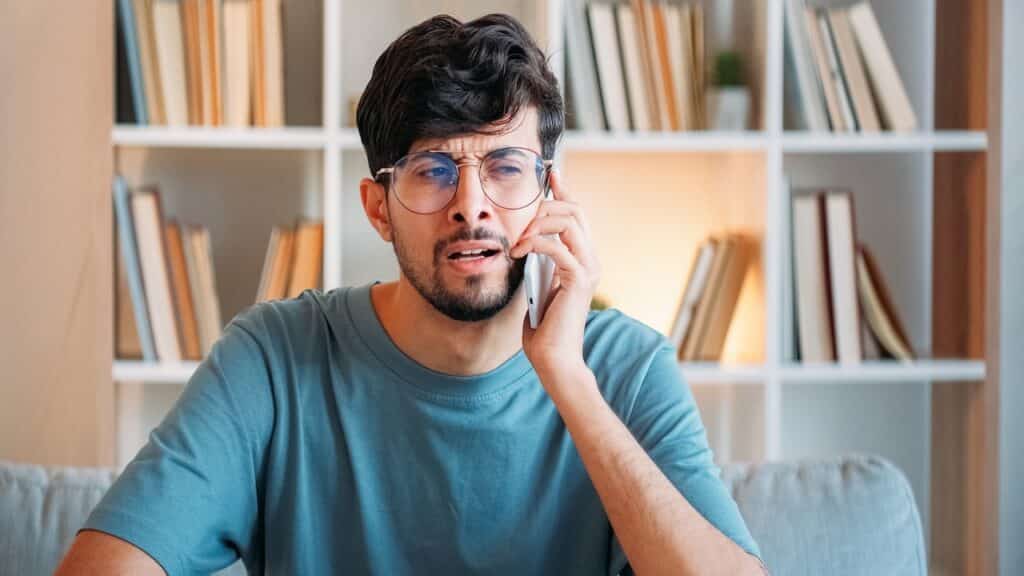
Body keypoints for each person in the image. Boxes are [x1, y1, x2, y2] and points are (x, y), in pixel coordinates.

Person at [57, 13, 764, 575]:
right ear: (378, 205)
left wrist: (570, 381)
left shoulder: (629, 372)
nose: (473, 206)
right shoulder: (272, 361)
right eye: (433, 169)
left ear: (549, 192)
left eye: (505, 167)